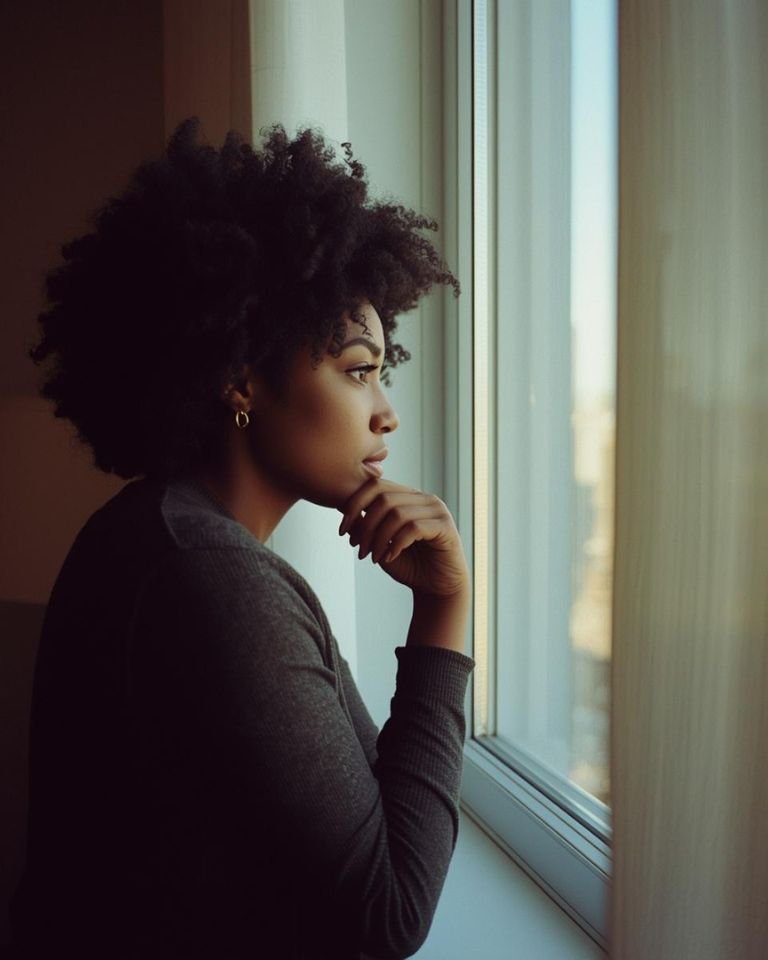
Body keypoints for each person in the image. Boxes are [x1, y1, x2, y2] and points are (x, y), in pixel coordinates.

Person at [11, 118, 474, 960]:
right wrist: (445, 608)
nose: (386, 413)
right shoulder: (211, 578)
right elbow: (392, 912)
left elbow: (362, 807)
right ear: (239, 379)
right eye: (358, 370)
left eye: (381, 374)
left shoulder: (158, 532)